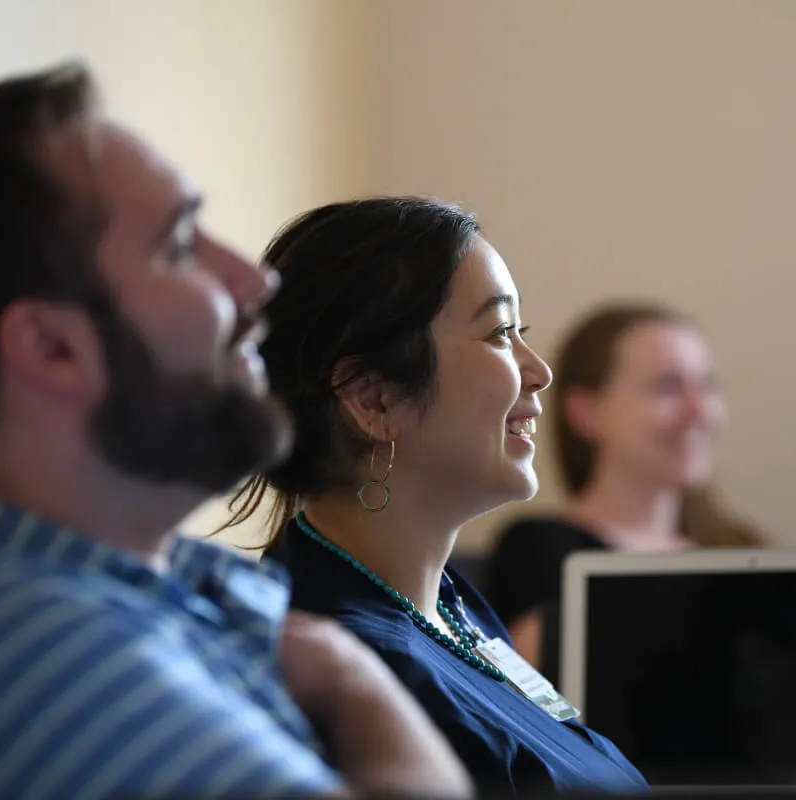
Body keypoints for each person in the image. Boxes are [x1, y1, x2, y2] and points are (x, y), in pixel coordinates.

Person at [0, 62, 473, 799]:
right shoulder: (48, 649)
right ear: (52, 347)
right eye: (181, 244)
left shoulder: (149, 586)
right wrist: (356, 686)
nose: (255, 281)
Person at [222, 198, 648, 794]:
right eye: (501, 333)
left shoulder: (447, 605)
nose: (539, 369)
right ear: (373, 400)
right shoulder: (356, 670)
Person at [485, 303, 763, 680]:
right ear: (585, 412)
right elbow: (530, 693)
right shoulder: (541, 549)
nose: (700, 412)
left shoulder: (744, 551)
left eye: (707, 385)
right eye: (668, 387)